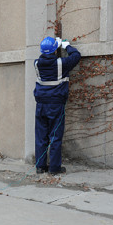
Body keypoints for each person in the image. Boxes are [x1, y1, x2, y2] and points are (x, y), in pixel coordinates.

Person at [34, 36, 81, 175]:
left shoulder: (37, 63)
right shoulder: (62, 63)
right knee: (55, 136)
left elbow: (46, 61)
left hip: (41, 105)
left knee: (41, 136)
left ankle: (40, 167)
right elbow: (76, 56)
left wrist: (54, 47)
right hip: (55, 105)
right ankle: (54, 169)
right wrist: (66, 46)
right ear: (55, 50)